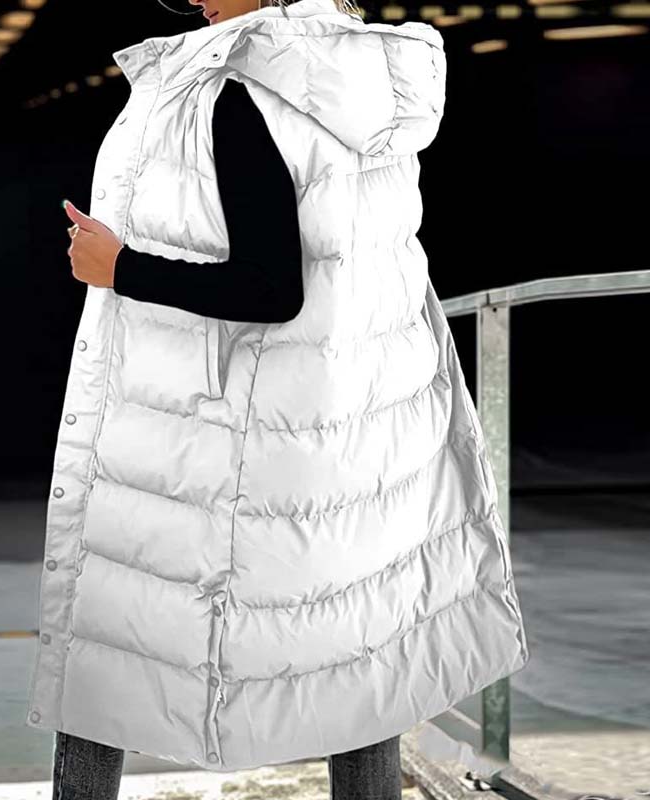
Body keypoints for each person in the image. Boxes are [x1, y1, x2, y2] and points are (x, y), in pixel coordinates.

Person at [28, 0, 529, 797]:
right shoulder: (365, 77)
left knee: (111, 633)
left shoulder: (237, 87)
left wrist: (119, 268)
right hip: (356, 424)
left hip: (225, 428)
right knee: (357, 657)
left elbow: (270, 288)